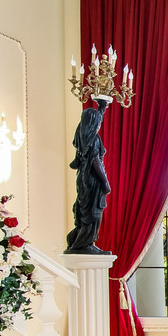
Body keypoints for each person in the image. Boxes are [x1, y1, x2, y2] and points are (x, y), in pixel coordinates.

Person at [65, 97, 111, 254]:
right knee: (93, 211)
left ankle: (82, 241)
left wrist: (102, 107)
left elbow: (96, 119)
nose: (99, 125)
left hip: (84, 177)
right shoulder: (92, 140)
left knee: (86, 210)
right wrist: (105, 182)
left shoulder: (82, 137)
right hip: (92, 179)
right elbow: (95, 161)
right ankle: (84, 243)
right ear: (93, 123)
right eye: (97, 122)